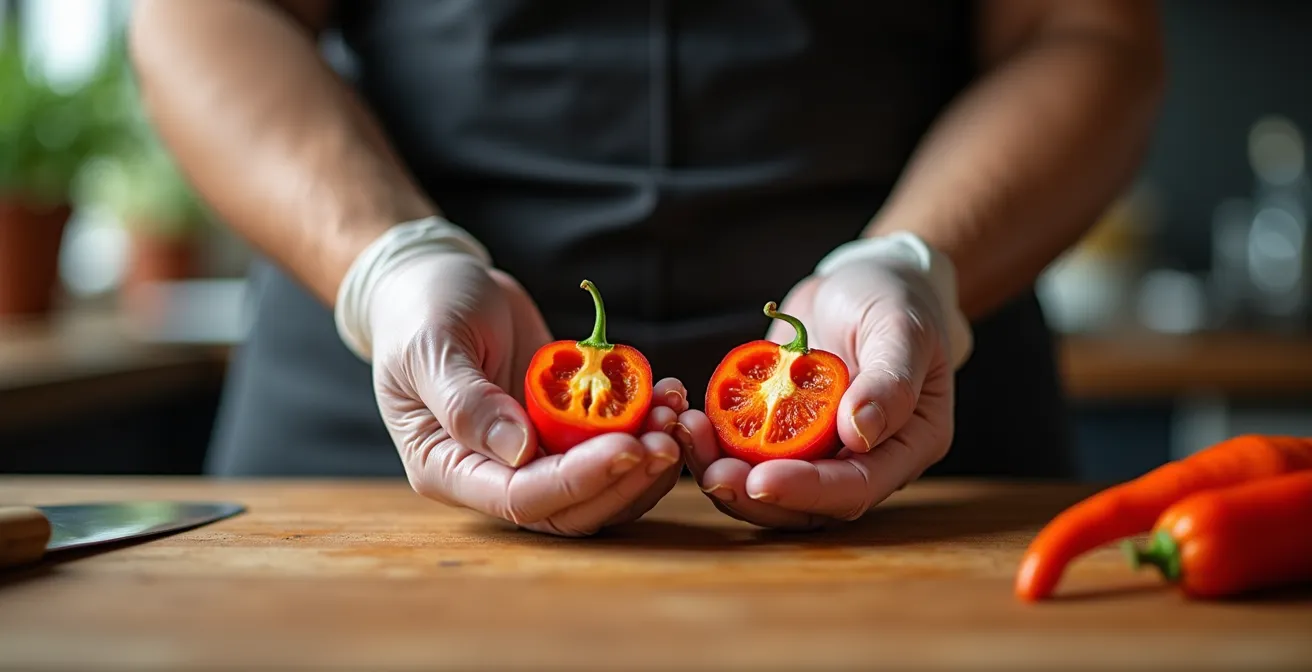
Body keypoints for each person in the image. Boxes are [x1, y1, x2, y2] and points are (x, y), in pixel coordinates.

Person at [129, 1, 1165, 535]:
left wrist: (917, 266)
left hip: (918, 430)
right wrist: (389, 264)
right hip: (369, 417)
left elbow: (1085, 27)